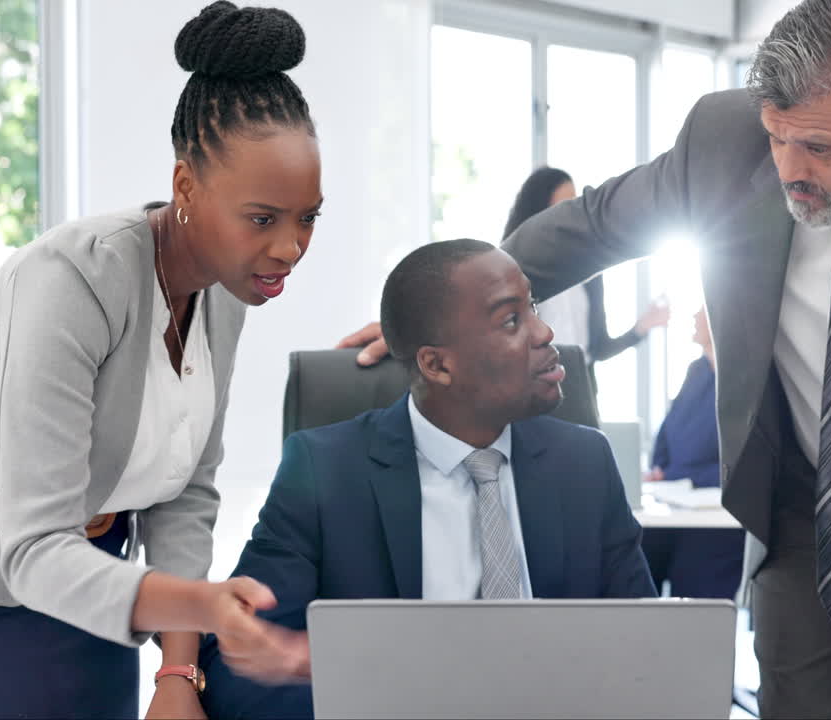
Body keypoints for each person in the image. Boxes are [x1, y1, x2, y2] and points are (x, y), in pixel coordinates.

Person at [337, 0, 831, 717]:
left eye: (816, 146)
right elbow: (597, 225)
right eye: (777, 137)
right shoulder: (724, 141)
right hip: (809, 509)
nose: (788, 170)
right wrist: (447, 313)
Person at [0, 3, 321, 717]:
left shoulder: (226, 292)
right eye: (263, 218)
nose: (290, 248)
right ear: (186, 187)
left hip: (96, 588)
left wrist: (178, 671)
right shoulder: (70, 281)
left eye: (308, 218)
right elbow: (32, 547)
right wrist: (203, 607)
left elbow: (186, 493)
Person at [202, 239, 656, 719]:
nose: (544, 333)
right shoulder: (326, 471)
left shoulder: (584, 463)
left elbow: (650, 647)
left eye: (534, 307)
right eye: (510, 320)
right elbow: (236, 664)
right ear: (437, 365)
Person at [503, 167, 669, 388]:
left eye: (575, 204)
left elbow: (599, 349)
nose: (573, 214)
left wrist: (641, 327)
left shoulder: (589, 273)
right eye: (563, 206)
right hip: (533, 388)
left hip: (581, 387)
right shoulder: (514, 269)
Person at [641, 305, 744, 600]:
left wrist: (675, 474)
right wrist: (661, 470)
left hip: (714, 516)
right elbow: (668, 432)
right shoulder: (697, 370)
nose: (695, 317)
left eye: (703, 310)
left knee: (695, 581)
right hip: (675, 501)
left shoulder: (740, 378)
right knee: (638, 551)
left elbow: (737, 462)